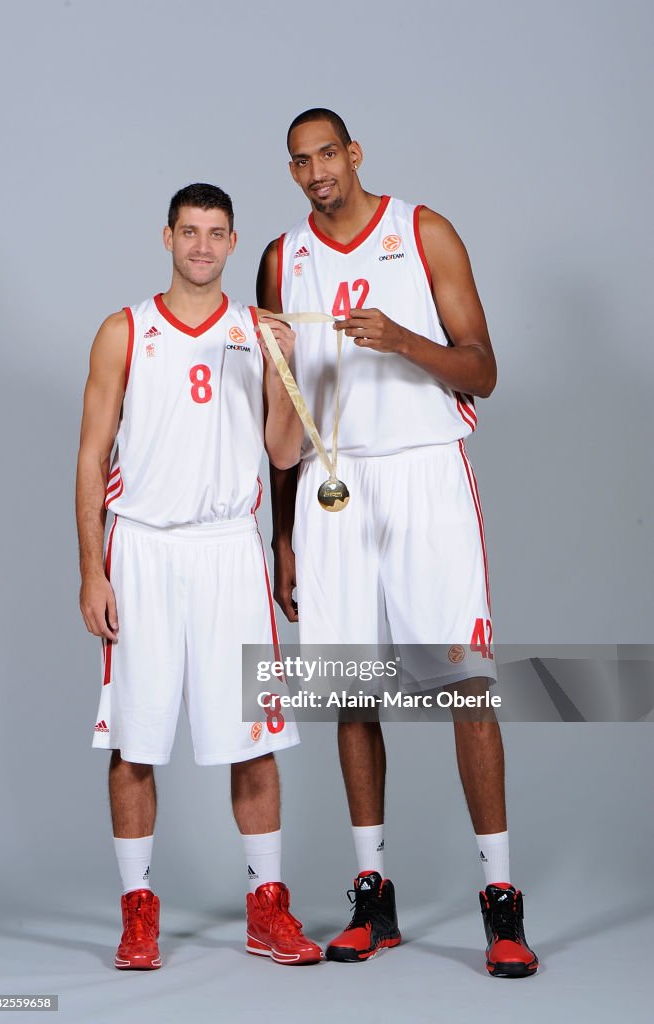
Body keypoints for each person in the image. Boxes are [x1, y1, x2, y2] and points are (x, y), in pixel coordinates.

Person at [257, 110, 538, 977]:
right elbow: (283, 408)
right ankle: (372, 895)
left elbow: (483, 370)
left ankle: (499, 900)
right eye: (300, 162)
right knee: (350, 689)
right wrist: (283, 534)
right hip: (332, 485)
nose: (316, 173)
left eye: (328, 154)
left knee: (463, 687)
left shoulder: (422, 230)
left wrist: (401, 340)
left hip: (423, 473)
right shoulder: (279, 258)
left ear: (355, 154)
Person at [76, 183, 322, 970]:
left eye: (217, 234)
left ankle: (266, 907)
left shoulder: (258, 331)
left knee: (252, 741)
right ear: (167, 237)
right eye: (190, 232)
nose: (204, 247)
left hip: (228, 550)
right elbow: (90, 456)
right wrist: (91, 570)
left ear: (232, 240)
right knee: (135, 740)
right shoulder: (124, 330)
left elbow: (284, 452)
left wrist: (287, 370)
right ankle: (138, 910)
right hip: (141, 547)